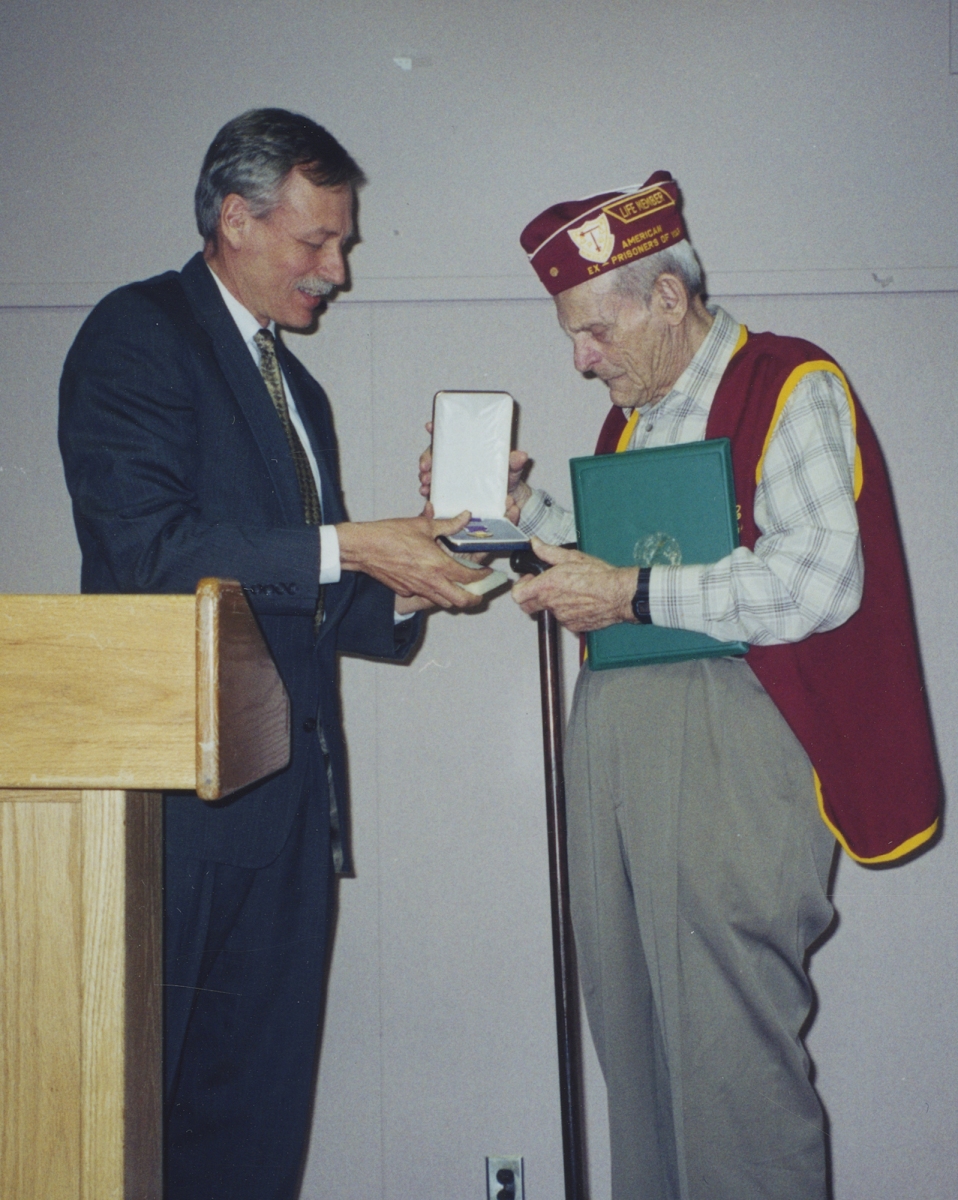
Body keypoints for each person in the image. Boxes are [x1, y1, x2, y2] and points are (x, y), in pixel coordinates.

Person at [59, 108, 484, 1200]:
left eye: (342, 242)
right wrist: (354, 543)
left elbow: (317, 604)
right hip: (176, 817)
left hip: (292, 820)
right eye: (317, 241)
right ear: (236, 219)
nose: (337, 270)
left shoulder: (305, 394)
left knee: (255, 1137)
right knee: (128, 1137)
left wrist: (430, 561)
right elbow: (146, 552)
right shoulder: (137, 333)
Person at [491, 173, 939, 1199]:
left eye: (593, 331)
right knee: (635, 1042)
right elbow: (614, 566)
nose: (579, 359)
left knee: (728, 1065)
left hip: (729, 745)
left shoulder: (789, 383)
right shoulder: (633, 419)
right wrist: (514, 518)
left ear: (666, 297)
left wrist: (630, 591)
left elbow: (820, 579)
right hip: (618, 734)